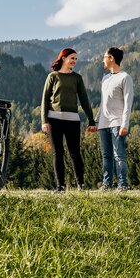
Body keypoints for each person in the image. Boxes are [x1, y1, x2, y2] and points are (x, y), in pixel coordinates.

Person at [41, 48, 96, 191]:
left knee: (75, 153)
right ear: (64, 58)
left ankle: (81, 185)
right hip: (54, 120)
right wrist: (44, 121)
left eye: (76, 59)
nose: (74, 61)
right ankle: (61, 186)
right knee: (58, 153)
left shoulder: (77, 78)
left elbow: (84, 100)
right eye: (72, 58)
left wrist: (91, 120)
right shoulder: (53, 76)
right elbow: (45, 100)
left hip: (72, 120)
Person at [96, 46, 134, 191]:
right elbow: (102, 103)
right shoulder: (105, 79)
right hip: (103, 124)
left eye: (104, 57)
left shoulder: (125, 77)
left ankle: (122, 185)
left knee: (119, 156)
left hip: (118, 123)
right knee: (106, 156)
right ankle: (106, 185)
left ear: (111, 58)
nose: (103, 61)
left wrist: (125, 124)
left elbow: (128, 102)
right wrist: (96, 121)